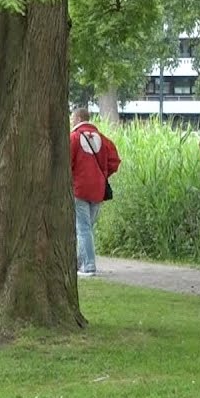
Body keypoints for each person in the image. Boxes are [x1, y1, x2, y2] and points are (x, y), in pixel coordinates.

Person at [70, 108, 121, 276]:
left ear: (78, 118)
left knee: (83, 228)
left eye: (72, 118)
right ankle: (79, 262)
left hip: (80, 188)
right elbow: (114, 161)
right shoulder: (103, 139)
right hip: (98, 190)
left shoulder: (75, 137)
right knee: (87, 228)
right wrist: (103, 174)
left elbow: (67, 161)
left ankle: (89, 265)